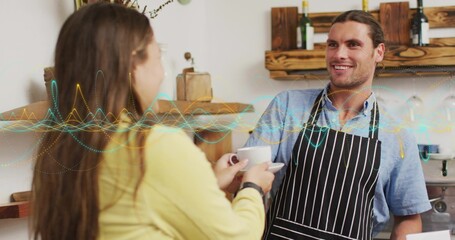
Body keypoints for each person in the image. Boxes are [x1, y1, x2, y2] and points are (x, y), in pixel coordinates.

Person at [31, 2, 274, 240]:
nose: (162, 73)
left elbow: (133, 212)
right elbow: (238, 236)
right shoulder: (154, 146)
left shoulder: (57, 148)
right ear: (133, 66)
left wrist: (207, 183)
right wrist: (252, 189)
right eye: (157, 57)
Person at [244, 10, 431, 240]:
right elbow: (248, 177)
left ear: (378, 52)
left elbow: (409, 217)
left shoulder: (398, 135)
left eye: (353, 44)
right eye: (333, 44)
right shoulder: (287, 106)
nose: (339, 54)